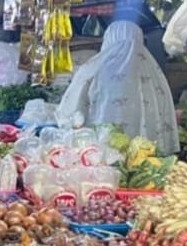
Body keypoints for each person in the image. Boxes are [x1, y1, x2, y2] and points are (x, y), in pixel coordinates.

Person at [56, 19, 180, 155]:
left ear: (108, 39)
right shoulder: (155, 76)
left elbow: (70, 110)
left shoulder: (92, 69)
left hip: (95, 157)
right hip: (146, 160)